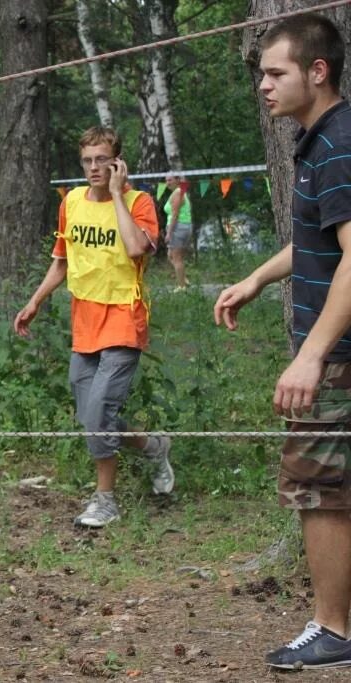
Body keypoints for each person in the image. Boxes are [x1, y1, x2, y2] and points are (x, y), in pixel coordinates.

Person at [214, 14, 351, 670]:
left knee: (317, 485)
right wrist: (257, 278)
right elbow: (319, 240)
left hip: (339, 359)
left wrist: (311, 352)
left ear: (316, 72)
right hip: (334, 351)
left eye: (276, 73)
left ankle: (333, 628)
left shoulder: (339, 143)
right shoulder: (320, 140)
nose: (262, 86)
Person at [13, 126, 174, 528]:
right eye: (87, 160)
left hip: (124, 318)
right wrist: (35, 301)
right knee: (91, 416)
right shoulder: (71, 203)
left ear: (118, 162)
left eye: (102, 159)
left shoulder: (140, 203)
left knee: (100, 410)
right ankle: (154, 446)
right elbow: (62, 261)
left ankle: (105, 500)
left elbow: (136, 247)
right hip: (84, 321)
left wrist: (118, 195)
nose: (94, 167)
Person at [163, 173, 193, 290]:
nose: (167, 183)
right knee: (170, 255)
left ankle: (181, 287)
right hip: (182, 226)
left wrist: (169, 233)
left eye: (170, 180)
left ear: (177, 180)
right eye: (166, 180)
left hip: (177, 227)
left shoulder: (178, 193)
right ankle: (184, 279)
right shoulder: (180, 192)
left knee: (177, 258)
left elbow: (175, 214)